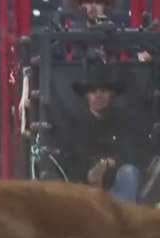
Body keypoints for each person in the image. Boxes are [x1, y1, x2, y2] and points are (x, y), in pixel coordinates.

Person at [46, 64, 149, 203]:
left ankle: (121, 220)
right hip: (84, 189)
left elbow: (135, 152)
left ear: (111, 93)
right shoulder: (74, 122)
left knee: (129, 172)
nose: (98, 94)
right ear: (86, 95)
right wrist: (88, 174)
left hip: (118, 185)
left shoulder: (124, 118)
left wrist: (110, 163)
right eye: (93, 90)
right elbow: (68, 159)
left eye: (103, 90)